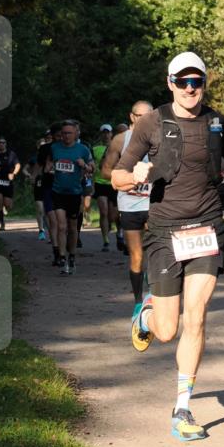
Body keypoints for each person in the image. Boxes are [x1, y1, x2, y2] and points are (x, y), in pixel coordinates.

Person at [112, 52, 224, 442]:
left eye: (197, 81)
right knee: (167, 330)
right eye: (183, 82)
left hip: (209, 229)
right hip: (165, 232)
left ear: (204, 84)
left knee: (195, 317)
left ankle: (182, 408)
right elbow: (116, 176)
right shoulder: (152, 122)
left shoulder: (218, 123)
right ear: (171, 83)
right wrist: (134, 176)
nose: (191, 88)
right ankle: (145, 317)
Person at [101, 101, 154, 309]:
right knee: (137, 255)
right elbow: (106, 170)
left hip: (155, 204)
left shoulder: (160, 139)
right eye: (140, 116)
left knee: (156, 251)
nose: (144, 120)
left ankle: (156, 297)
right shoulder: (120, 140)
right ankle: (138, 301)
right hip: (130, 205)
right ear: (132, 117)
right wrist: (130, 178)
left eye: (149, 116)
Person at [45, 120, 93, 274]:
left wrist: (84, 166)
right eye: (63, 133)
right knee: (61, 226)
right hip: (58, 192)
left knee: (72, 228)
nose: (65, 136)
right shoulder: (55, 148)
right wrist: (49, 168)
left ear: (75, 134)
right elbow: (48, 164)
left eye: (69, 133)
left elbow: (92, 168)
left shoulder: (83, 150)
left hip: (74, 193)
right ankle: (62, 257)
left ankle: (72, 255)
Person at [37, 122, 63, 263]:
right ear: (52, 136)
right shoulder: (45, 148)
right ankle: (56, 251)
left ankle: (64, 251)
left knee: (62, 223)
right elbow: (40, 167)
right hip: (49, 187)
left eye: (63, 135)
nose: (61, 138)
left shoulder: (68, 148)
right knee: (53, 221)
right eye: (58, 135)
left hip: (64, 188)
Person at [92, 124, 118, 252]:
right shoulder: (95, 149)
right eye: (104, 133)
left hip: (113, 183)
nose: (106, 135)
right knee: (103, 212)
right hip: (100, 183)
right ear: (101, 134)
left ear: (112, 134)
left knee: (113, 216)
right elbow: (97, 166)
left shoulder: (117, 147)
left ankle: (114, 230)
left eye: (108, 132)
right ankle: (106, 240)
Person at [26, 137, 48, 239]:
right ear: (38, 146)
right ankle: (41, 230)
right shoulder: (34, 158)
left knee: (49, 210)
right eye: (41, 145)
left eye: (44, 145)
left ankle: (50, 229)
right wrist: (30, 176)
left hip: (49, 184)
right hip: (38, 184)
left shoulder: (51, 156)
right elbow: (24, 169)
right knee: (40, 208)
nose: (42, 147)